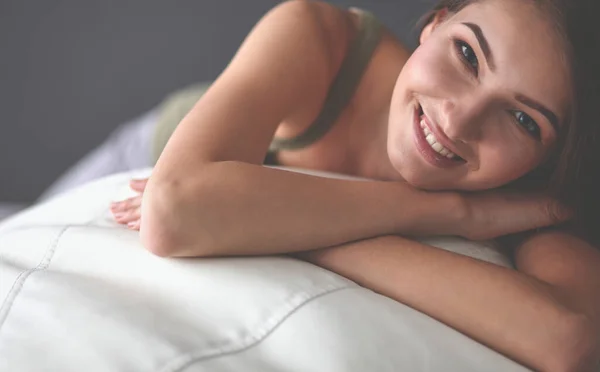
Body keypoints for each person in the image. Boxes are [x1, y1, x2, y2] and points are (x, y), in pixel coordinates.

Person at [107, 0, 599, 370]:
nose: (459, 119)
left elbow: (569, 339)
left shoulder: (527, 195)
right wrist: (450, 214)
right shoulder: (323, 41)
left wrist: (283, 227)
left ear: (550, 157)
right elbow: (172, 211)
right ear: (436, 24)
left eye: (522, 119)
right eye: (467, 54)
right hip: (142, 158)